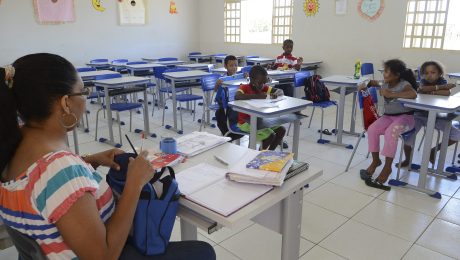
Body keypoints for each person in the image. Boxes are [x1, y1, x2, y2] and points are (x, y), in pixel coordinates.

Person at [0, 53, 215, 260]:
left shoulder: (11, 146)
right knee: (203, 251)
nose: (85, 100)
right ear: (65, 103)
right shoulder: (60, 169)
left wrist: (88, 161)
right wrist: (134, 183)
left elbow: (40, 184)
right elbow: (103, 255)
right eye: (82, 93)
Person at [359, 59, 418, 189]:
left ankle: (387, 167)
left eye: (386, 71)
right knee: (372, 129)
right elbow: (372, 82)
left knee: (391, 132)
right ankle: (376, 161)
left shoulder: (404, 84)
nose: (384, 73)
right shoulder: (384, 83)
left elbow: (413, 93)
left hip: (406, 118)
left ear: (396, 75)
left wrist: (392, 94)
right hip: (388, 116)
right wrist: (364, 84)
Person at [397, 61, 457, 168]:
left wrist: (431, 91)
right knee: (408, 136)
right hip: (419, 115)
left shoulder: (442, 80)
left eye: (433, 72)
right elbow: (421, 90)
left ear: (439, 74)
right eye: (426, 73)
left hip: (437, 116)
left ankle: (433, 150)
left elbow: (447, 93)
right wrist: (439, 88)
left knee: (456, 135)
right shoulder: (423, 81)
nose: (429, 75)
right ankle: (407, 159)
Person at [235, 65, 286, 150]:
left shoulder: (264, 87)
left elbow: (280, 91)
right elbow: (237, 96)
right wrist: (257, 96)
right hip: (245, 122)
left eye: (264, 83)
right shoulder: (244, 87)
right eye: (260, 83)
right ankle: (260, 156)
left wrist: (275, 94)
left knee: (281, 130)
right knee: (271, 135)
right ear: (251, 80)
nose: (262, 86)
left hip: (260, 120)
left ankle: (268, 153)